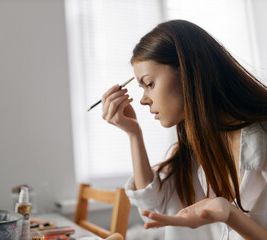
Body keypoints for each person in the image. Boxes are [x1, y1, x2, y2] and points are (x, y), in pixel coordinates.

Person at [101, 19, 267, 240]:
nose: (143, 100)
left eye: (149, 84)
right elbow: (153, 207)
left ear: (188, 71)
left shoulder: (261, 137)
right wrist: (134, 134)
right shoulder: (202, 148)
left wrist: (230, 215)